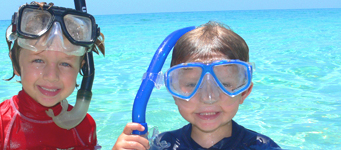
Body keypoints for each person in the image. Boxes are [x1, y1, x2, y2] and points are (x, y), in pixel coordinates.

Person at [113, 21, 282, 150]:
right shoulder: (161, 145)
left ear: (244, 92)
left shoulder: (262, 147)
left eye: (224, 84)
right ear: (174, 93)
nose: (208, 97)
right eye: (192, 84)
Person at [0, 1, 105, 149]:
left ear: (82, 67)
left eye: (65, 64)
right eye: (38, 60)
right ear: (15, 64)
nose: (51, 75)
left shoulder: (84, 126)